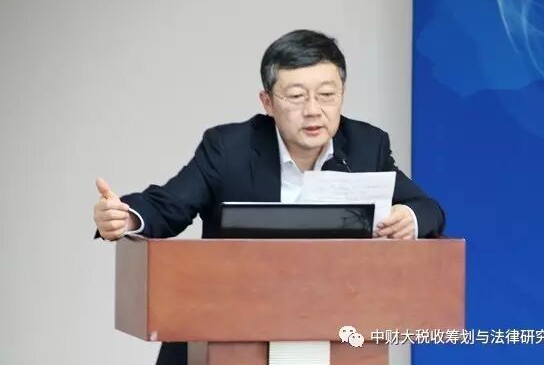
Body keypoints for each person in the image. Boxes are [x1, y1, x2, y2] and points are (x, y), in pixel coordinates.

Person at [93, 29, 445, 364]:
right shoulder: (229, 148)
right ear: (268, 102)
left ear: (342, 94)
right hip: (226, 330)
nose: (313, 110)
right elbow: (168, 206)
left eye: (327, 94)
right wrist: (126, 216)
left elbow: (427, 209)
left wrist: (409, 219)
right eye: (296, 96)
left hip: (334, 332)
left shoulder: (366, 146)